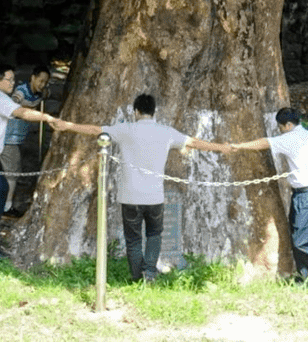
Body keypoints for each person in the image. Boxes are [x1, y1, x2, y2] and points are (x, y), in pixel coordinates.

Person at [55, 92, 229, 282]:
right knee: (154, 235)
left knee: (133, 239)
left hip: (129, 197)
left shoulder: (125, 129)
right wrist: (222, 148)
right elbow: (194, 142)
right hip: (155, 196)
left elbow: (95, 129)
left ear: (135, 111)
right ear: (154, 113)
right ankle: (150, 274)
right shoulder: (167, 132)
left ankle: (137, 277)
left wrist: (67, 126)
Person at [0, 63, 63, 260]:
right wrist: (47, 117)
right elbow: (22, 112)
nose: (12, 83)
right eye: (8, 80)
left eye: (13, 79)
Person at [231, 107, 308, 283]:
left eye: (280, 127)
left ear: (289, 125)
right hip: (302, 193)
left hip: (307, 194)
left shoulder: (290, 138)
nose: (280, 130)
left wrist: (240, 146)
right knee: (295, 236)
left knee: (301, 240)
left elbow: (264, 143)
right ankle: (303, 277)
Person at [1, 63, 51, 216]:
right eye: (40, 81)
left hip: (17, 138)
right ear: (33, 78)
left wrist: (45, 93)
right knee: (12, 173)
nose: (42, 84)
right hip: (8, 138)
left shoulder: (39, 93)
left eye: (45, 82)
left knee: (11, 171)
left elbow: (46, 94)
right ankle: (6, 208)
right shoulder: (21, 91)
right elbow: (15, 103)